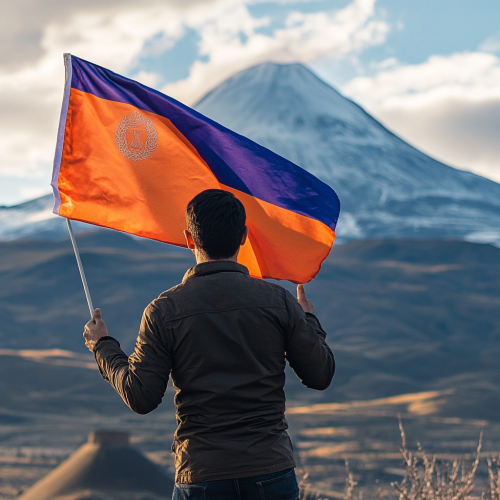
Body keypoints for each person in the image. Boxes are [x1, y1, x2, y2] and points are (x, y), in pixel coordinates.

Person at [83, 189, 335, 500]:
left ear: (189, 238)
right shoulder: (279, 302)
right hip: (270, 470)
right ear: (243, 236)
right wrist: (309, 321)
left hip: (202, 474)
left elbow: (141, 396)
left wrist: (103, 346)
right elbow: (320, 375)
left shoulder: (163, 310)